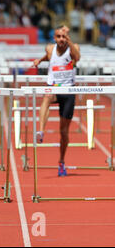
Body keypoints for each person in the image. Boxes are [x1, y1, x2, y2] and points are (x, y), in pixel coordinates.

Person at [32, 25, 81, 177]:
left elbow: (76, 58)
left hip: (68, 91)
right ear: (54, 38)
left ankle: (61, 161)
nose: (61, 39)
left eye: (63, 37)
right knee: (46, 96)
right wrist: (40, 60)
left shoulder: (73, 48)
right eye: (58, 37)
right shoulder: (49, 48)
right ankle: (41, 131)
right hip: (53, 87)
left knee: (64, 132)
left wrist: (69, 41)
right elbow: (49, 56)